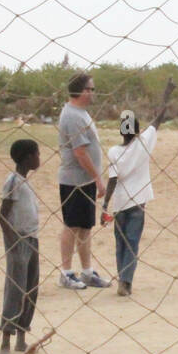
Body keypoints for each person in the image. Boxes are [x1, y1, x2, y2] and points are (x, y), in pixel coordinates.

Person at [101, 77, 176, 296]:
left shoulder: (114, 151)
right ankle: (126, 282)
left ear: (120, 131)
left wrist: (105, 206)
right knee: (132, 244)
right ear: (136, 129)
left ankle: (122, 280)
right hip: (138, 203)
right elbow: (159, 117)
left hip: (120, 203)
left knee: (120, 244)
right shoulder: (144, 142)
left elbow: (112, 179)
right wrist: (167, 93)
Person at [57, 71, 110, 290]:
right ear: (79, 91)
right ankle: (66, 272)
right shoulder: (72, 115)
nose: (92, 93)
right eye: (89, 89)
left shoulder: (82, 113)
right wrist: (98, 178)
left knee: (86, 227)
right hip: (74, 181)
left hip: (85, 180)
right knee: (72, 226)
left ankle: (87, 271)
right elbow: (79, 153)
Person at [0, 139, 42, 354]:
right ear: (27, 157)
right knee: (16, 288)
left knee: (31, 288)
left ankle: (21, 337)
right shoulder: (13, 181)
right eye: (37, 154)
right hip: (19, 240)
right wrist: (13, 240)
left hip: (32, 238)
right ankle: (5, 338)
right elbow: (2, 215)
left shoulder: (25, 182)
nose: (39, 158)